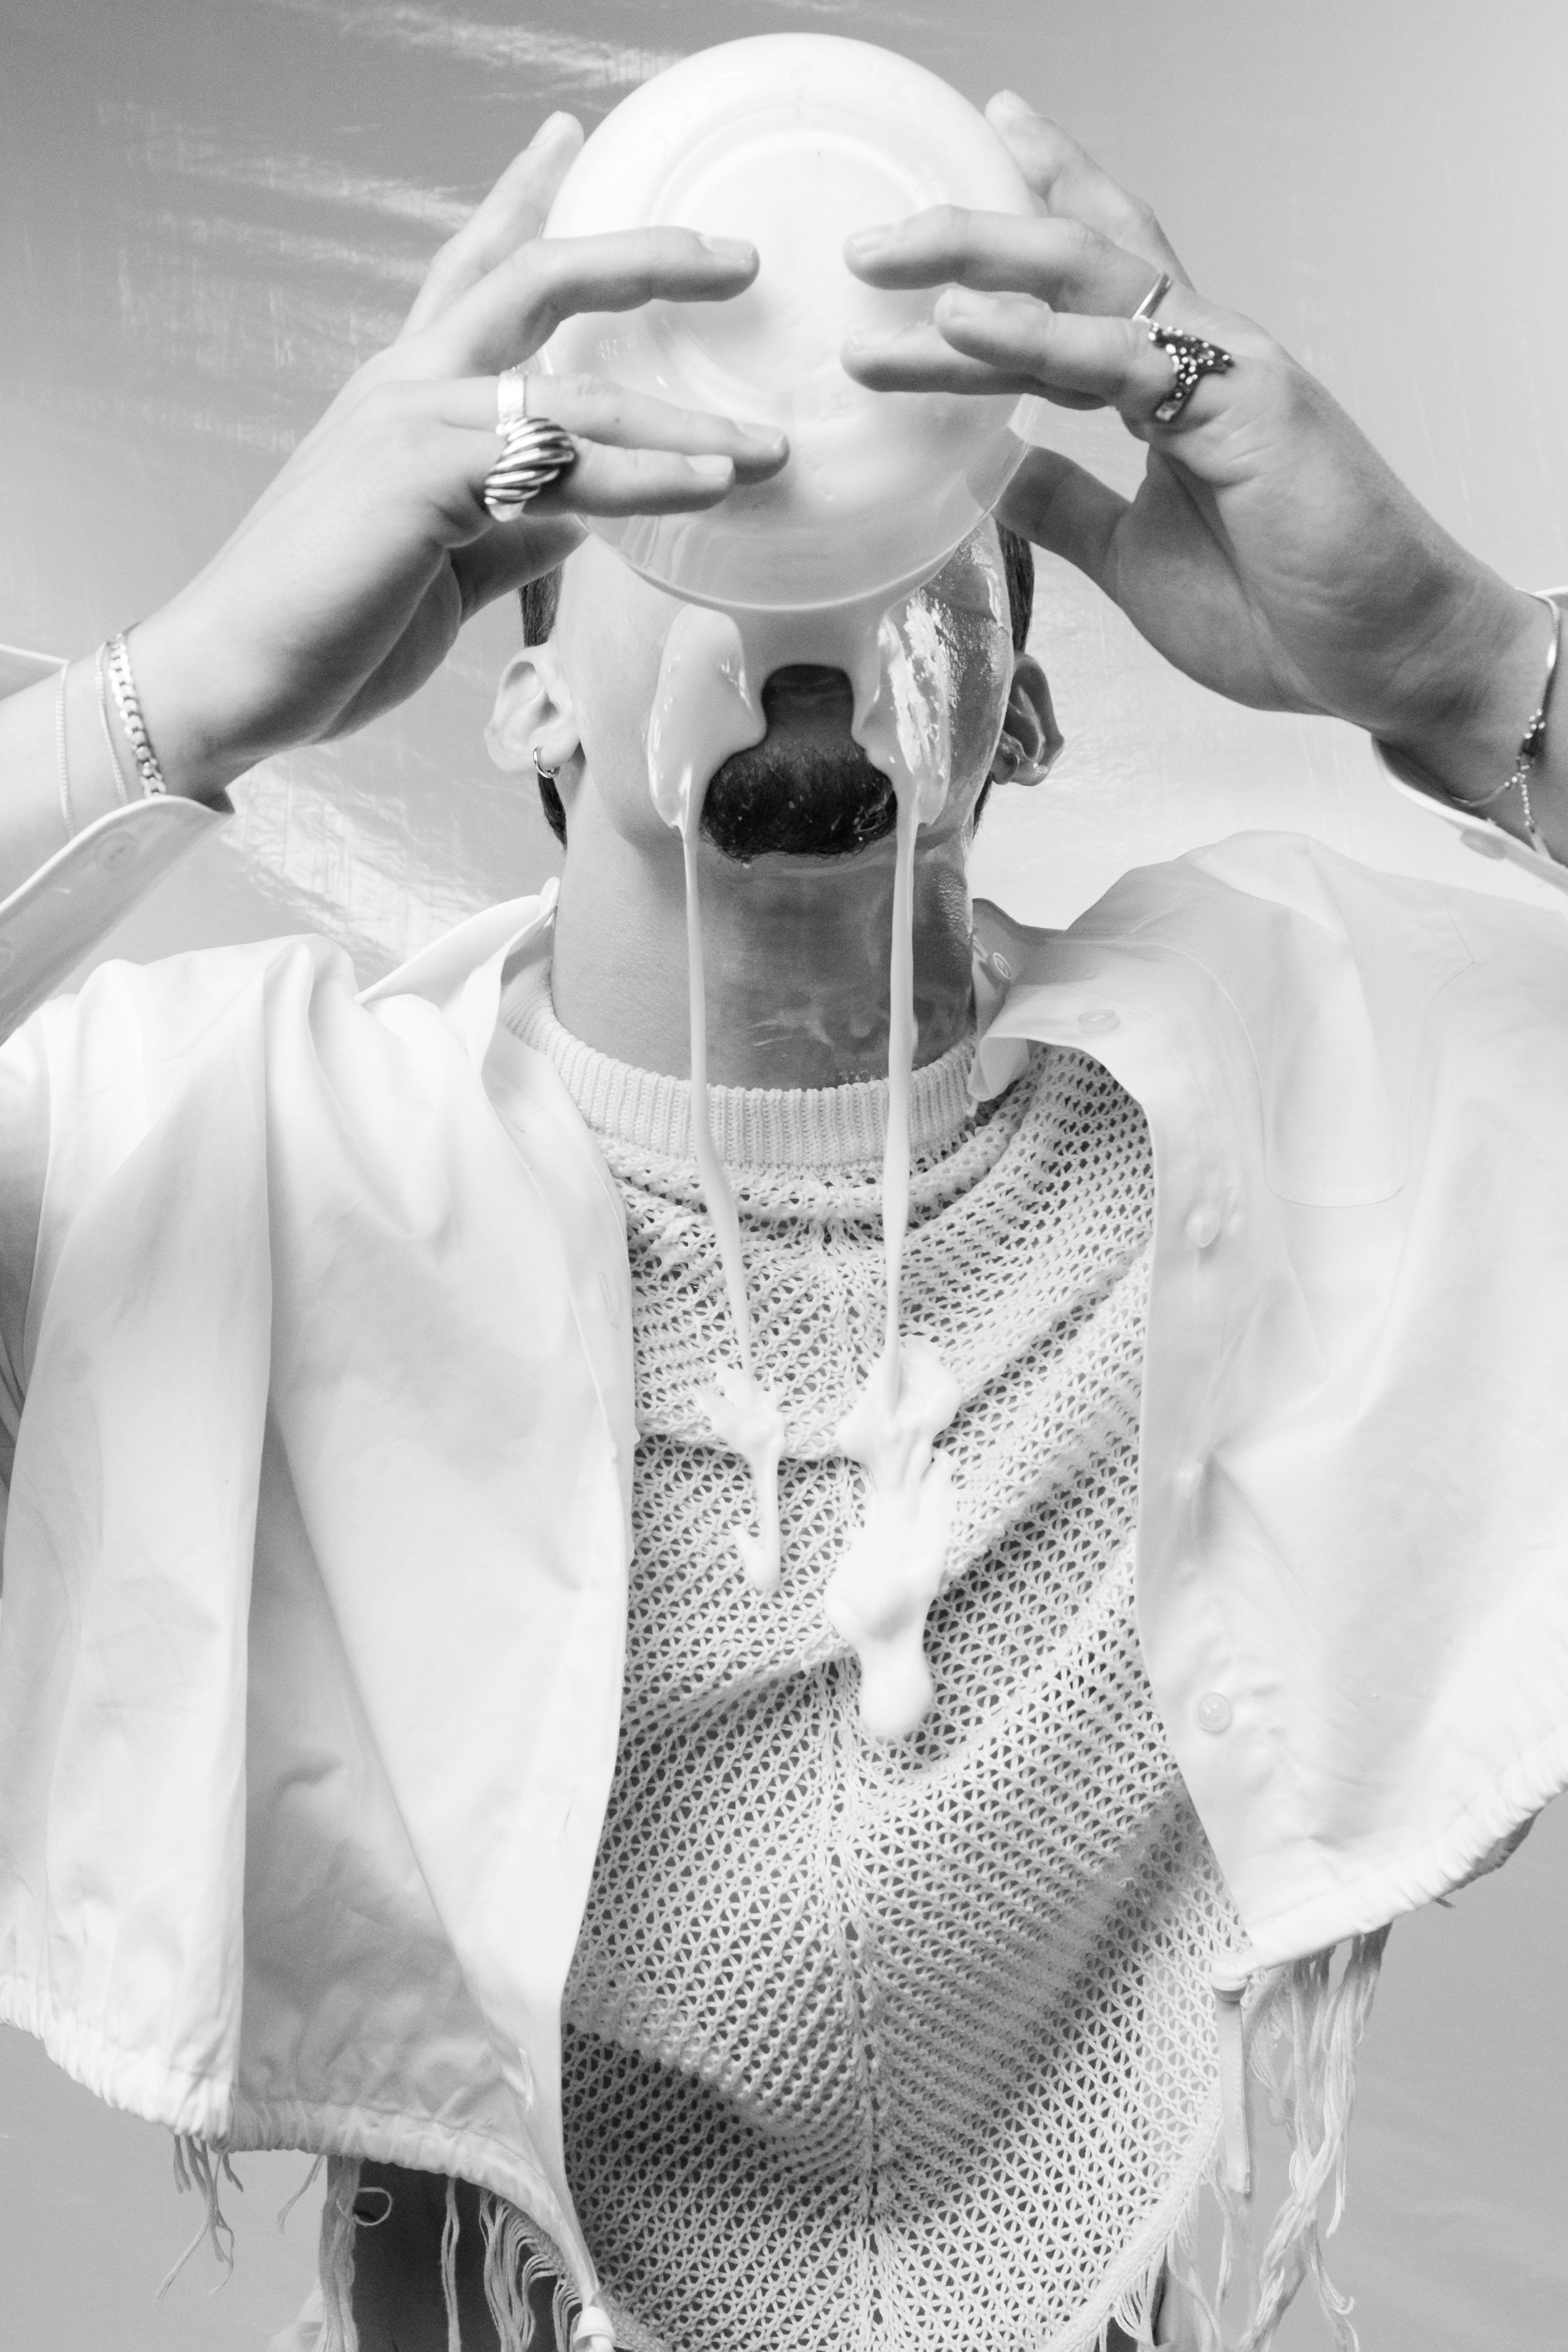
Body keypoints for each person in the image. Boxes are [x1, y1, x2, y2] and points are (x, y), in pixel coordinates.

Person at [0, 91, 1564, 2352]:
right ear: (526, 694)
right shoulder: (231, 1148)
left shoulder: (1310, 1074)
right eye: (699, 509)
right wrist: (184, 691)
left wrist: (1474, 671)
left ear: (1022, 708)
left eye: (892, 510)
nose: (803, 574)